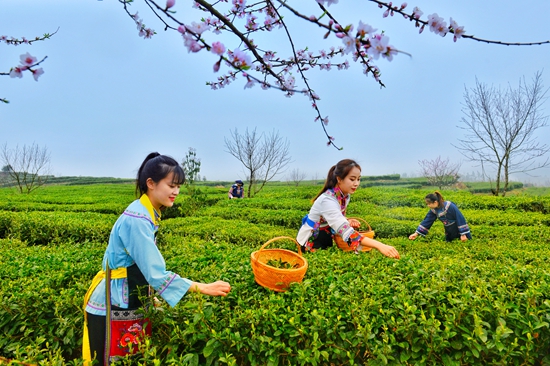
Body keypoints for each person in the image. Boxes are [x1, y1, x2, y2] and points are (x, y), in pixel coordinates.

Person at [82, 153, 231, 366]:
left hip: (126, 297)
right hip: (113, 303)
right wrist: (203, 287)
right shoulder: (138, 220)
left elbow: (138, 265)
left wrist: (149, 295)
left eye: (178, 186)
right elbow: (156, 273)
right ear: (150, 183)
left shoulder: (146, 212)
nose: (176, 192)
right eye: (171, 186)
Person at [296, 159, 400, 259]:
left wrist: (347, 220)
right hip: (311, 238)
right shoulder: (327, 200)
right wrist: (380, 246)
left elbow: (335, 216)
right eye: (352, 179)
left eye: (358, 179)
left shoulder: (345, 196)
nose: (356, 183)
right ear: (339, 179)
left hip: (326, 234)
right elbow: (347, 233)